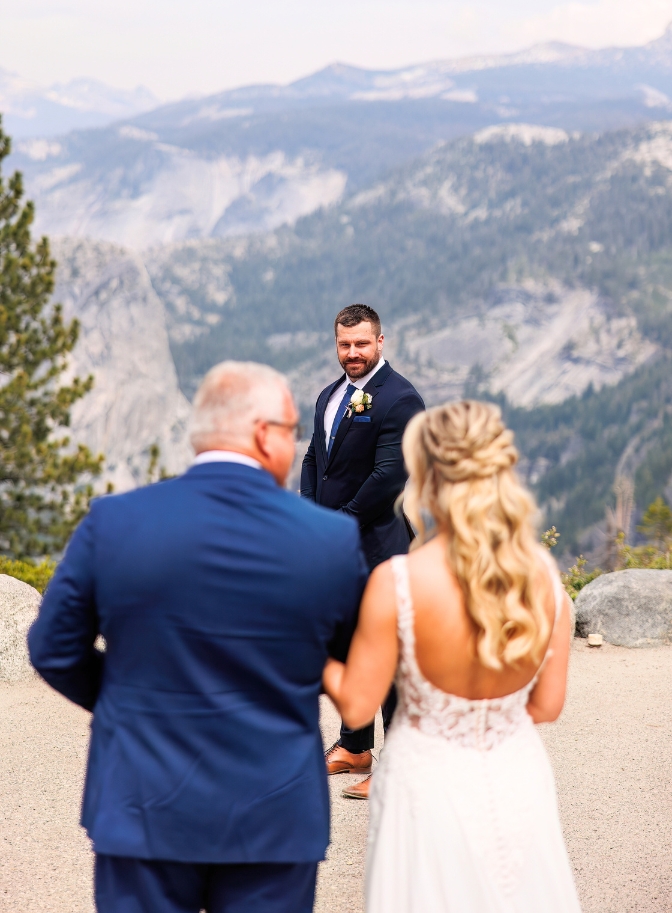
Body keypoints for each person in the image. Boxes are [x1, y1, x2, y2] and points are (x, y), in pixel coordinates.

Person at [28, 361, 368, 913]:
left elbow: (51, 647)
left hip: (143, 805)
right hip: (273, 812)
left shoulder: (113, 522)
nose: (293, 445)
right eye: (289, 432)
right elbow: (351, 660)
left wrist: (124, 702)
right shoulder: (328, 539)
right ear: (263, 435)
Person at [323, 400, 582, 912]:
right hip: (515, 776)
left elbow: (356, 708)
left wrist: (309, 650)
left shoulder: (398, 582)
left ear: (424, 477)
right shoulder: (546, 580)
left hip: (427, 786)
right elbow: (547, 706)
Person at [301, 303, 424, 799]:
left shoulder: (400, 399)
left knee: (388, 655)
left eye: (361, 344)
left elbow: (391, 474)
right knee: (350, 644)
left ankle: (398, 767)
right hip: (334, 546)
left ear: (380, 342)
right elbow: (314, 459)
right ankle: (355, 745)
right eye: (344, 344)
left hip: (378, 546)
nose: (352, 353)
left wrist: (339, 524)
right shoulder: (330, 396)